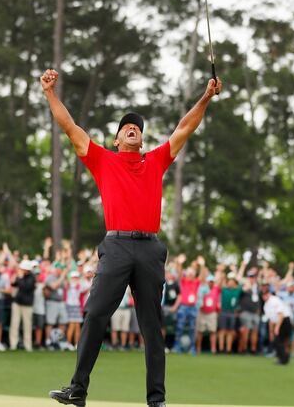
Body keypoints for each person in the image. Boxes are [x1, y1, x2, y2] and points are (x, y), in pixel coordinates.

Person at [43, 67, 221, 407]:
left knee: (152, 328)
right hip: (117, 246)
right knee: (95, 314)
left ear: (141, 138)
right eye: (127, 126)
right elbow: (69, 127)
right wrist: (50, 93)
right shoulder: (102, 160)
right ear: (116, 139)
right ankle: (77, 389)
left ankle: (156, 400)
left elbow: (186, 127)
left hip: (150, 248)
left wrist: (206, 96)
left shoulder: (155, 161)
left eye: (138, 127)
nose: (133, 128)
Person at [172, 267, 200, 355]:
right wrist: (180, 264)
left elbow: (202, 277)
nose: (191, 275)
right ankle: (177, 347)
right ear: (186, 274)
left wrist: (202, 265)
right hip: (183, 307)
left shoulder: (196, 282)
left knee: (192, 328)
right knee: (180, 327)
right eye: (189, 273)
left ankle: (192, 348)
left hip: (193, 307)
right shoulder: (183, 281)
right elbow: (180, 274)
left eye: (192, 274)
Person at [263, 285, 293, 365]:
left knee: (278, 341)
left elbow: (280, 314)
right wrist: (271, 332)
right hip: (279, 323)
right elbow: (271, 320)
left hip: (284, 321)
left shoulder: (274, 300)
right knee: (277, 341)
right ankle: (283, 357)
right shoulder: (266, 305)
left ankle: (283, 359)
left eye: (266, 294)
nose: (264, 296)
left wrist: (277, 328)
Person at [10, 260, 36, 351]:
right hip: (17, 303)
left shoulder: (32, 278)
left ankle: (28, 345)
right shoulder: (20, 276)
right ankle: (13, 344)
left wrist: (20, 278)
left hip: (27, 304)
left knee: (27, 325)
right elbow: (14, 284)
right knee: (15, 324)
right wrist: (15, 278)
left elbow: (25, 287)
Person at [195, 274, 220, 355]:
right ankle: (198, 348)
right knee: (200, 331)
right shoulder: (202, 289)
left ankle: (213, 349)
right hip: (202, 312)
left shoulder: (216, 289)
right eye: (209, 282)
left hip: (212, 313)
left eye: (212, 282)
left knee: (213, 331)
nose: (211, 283)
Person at [216, 273, 240, 354]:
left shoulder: (237, 290)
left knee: (230, 331)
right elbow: (218, 286)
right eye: (229, 282)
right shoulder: (224, 289)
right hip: (223, 311)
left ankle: (228, 349)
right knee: (222, 330)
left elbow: (240, 281)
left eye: (232, 282)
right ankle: (221, 348)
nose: (230, 283)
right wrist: (222, 277)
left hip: (232, 313)